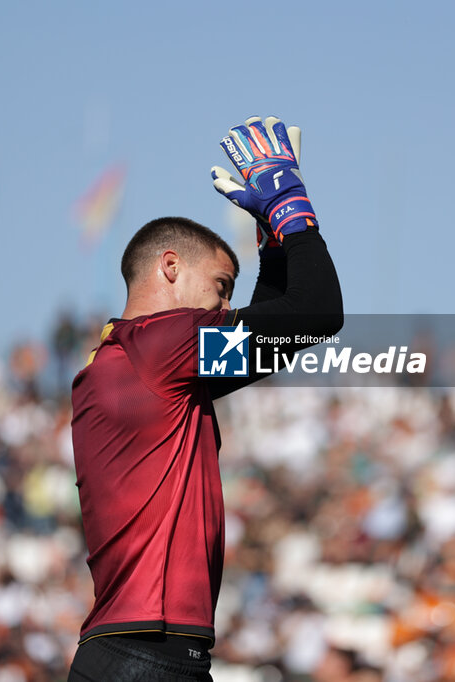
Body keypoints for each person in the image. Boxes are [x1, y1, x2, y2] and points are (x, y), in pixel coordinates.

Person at [68, 116, 342, 681]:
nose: (223, 308)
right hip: (149, 658)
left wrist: (273, 241)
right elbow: (315, 315)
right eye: (220, 288)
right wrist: (291, 204)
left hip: (136, 654)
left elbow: (277, 340)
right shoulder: (163, 344)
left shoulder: (134, 359)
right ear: (169, 266)